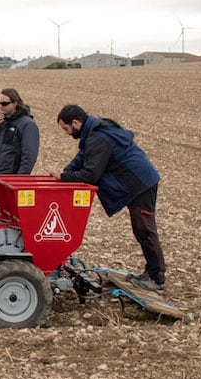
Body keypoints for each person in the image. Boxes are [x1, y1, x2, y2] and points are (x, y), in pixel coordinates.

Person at [48, 104, 167, 293]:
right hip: (134, 183)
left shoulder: (98, 138)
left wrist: (63, 177)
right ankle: (150, 272)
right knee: (140, 229)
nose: (66, 133)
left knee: (145, 229)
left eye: (66, 129)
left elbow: (90, 175)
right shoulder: (92, 134)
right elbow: (80, 159)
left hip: (140, 183)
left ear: (76, 123)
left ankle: (157, 278)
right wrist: (64, 173)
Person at [0, 86, 40, 174]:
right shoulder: (0, 121)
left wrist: (19, 180)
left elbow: (29, 156)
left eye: (5, 103)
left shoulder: (27, 124)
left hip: (12, 178)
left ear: (15, 103)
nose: (1, 106)